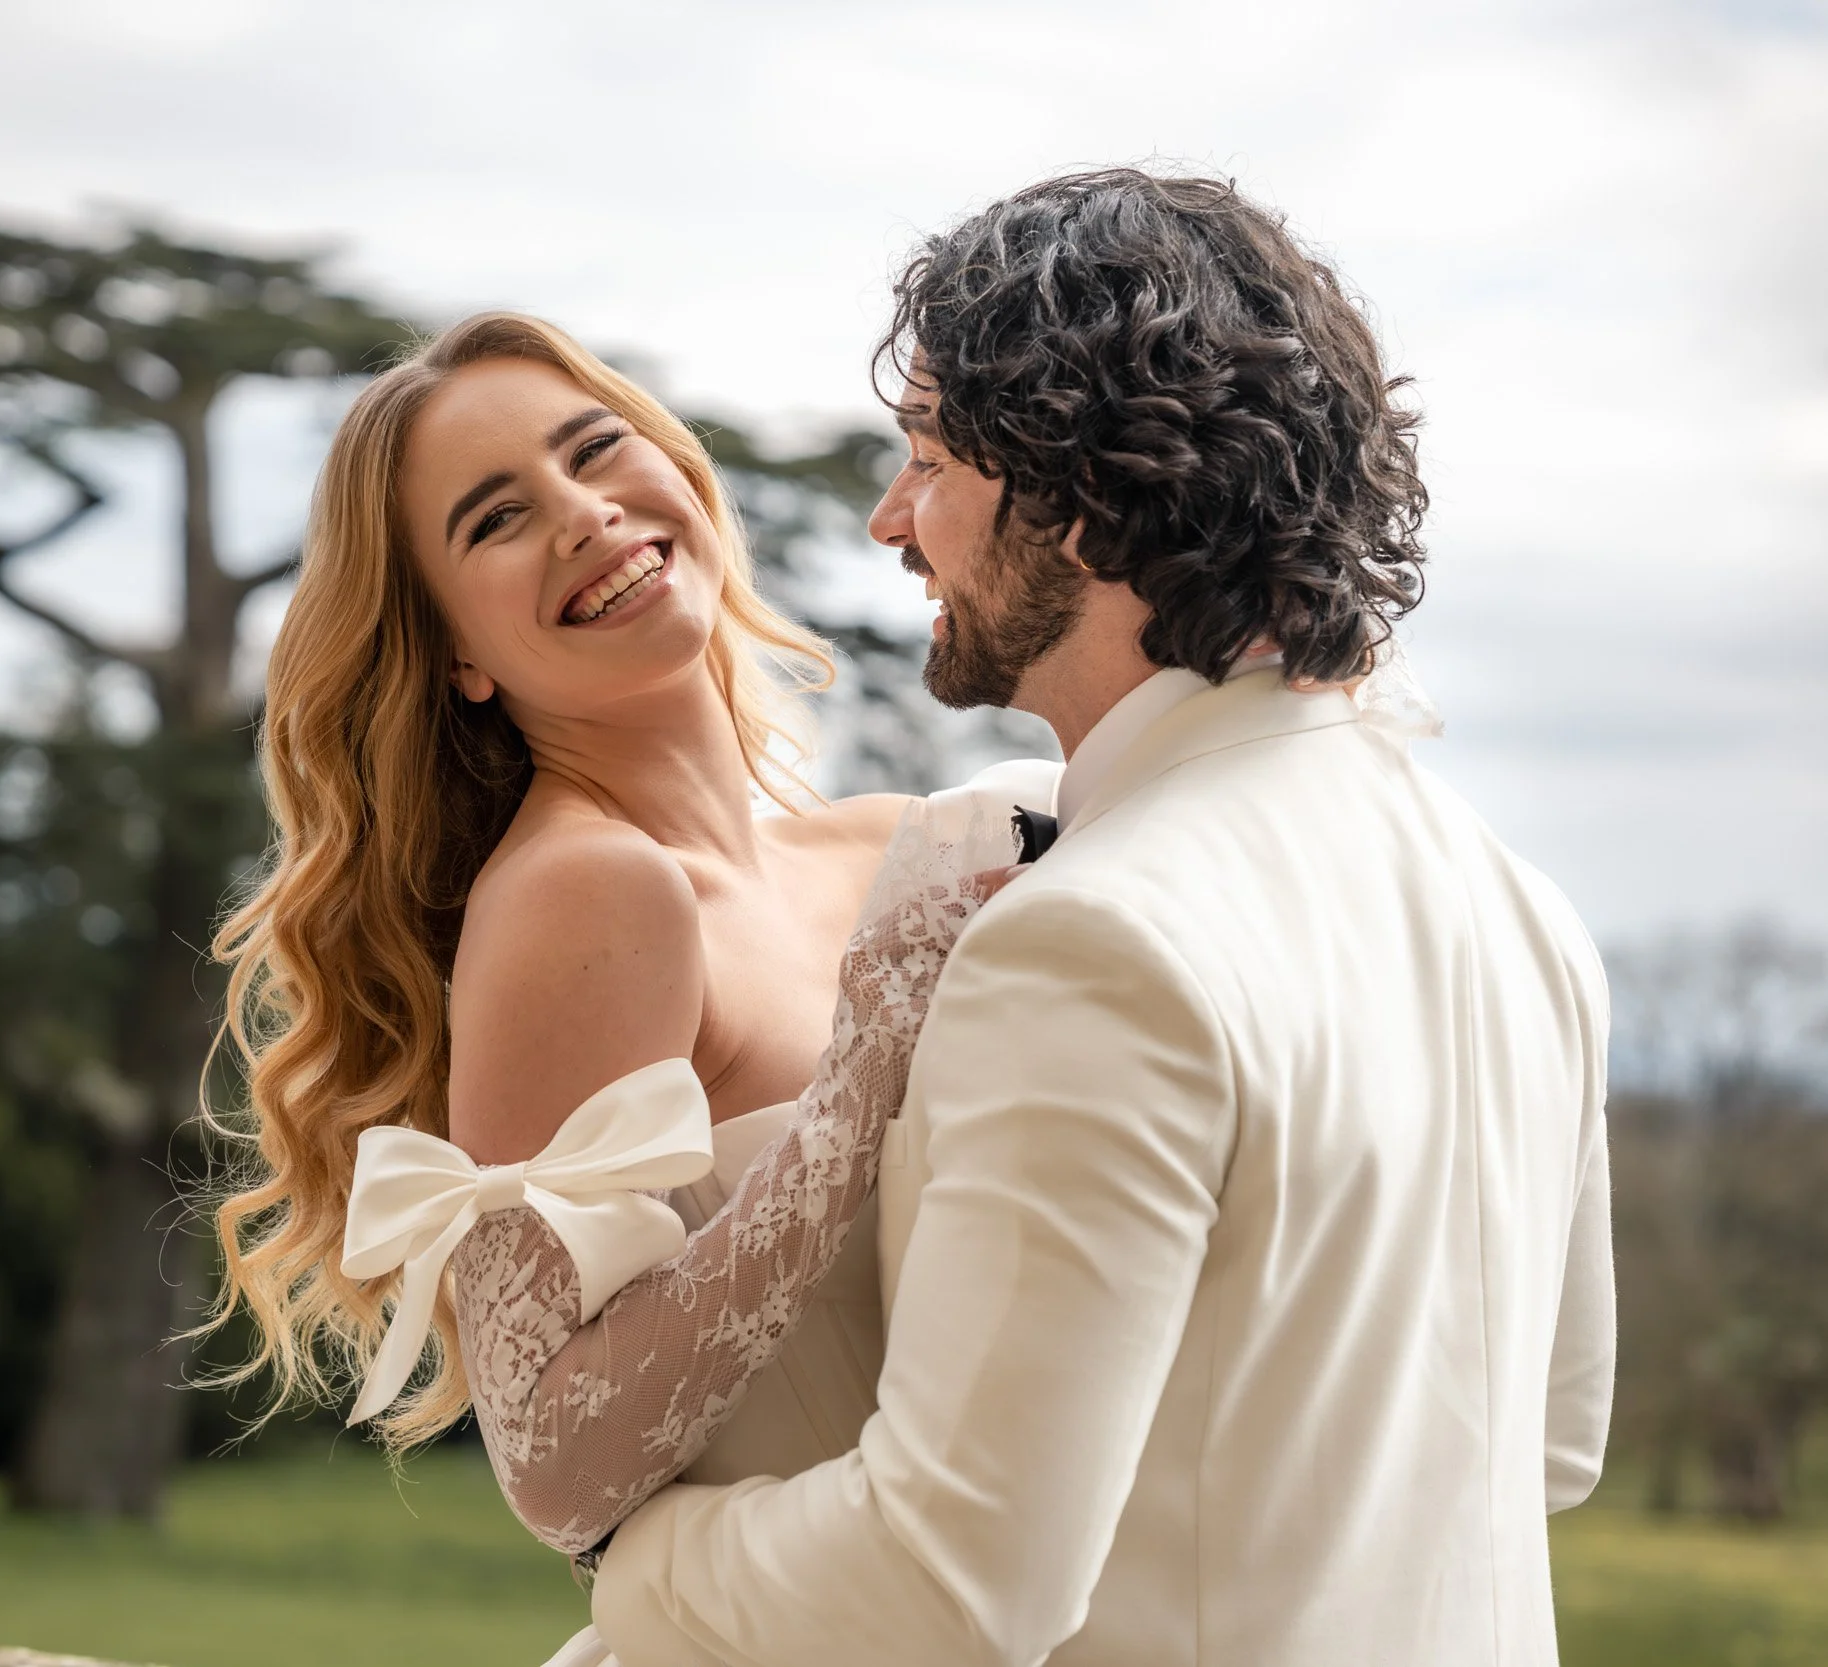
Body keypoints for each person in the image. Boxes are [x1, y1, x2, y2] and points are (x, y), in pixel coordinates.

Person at [588, 169, 1616, 1667]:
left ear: (1073, 498)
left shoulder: (1095, 941)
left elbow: (946, 1581)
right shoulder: (1527, 913)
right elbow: (1547, 1447)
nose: (893, 519)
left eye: (929, 458)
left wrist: (641, 1551)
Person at [206, 310, 1058, 1589]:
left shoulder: (890, 847)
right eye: (494, 519)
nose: (581, 512)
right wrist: (859, 1087)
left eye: (595, 449)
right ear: (456, 653)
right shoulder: (591, 892)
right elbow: (555, 1464)